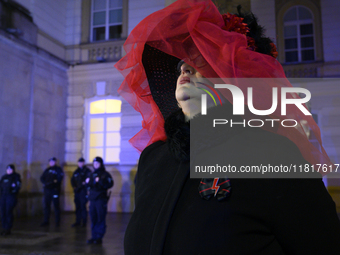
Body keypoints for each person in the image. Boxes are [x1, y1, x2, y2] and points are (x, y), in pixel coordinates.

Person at [115, 0, 340, 254]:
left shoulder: (273, 156)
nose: (184, 68)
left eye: (199, 60)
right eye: (180, 65)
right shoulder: (154, 158)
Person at [85, 156, 113, 244]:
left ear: (101, 164)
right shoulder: (91, 174)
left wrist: (100, 181)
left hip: (100, 199)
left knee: (100, 217)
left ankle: (99, 237)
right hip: (92, 199)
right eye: (94, 163)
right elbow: (89, 187)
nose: (95, 165)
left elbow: (109, 184)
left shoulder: (105, 174)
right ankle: (94, 236)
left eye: (97, 163)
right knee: (93, 218)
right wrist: (87, 182)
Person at [40, 157, 64, 227]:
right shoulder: (47, 170)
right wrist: (46, 183)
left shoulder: (58, 169)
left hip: (54, 190)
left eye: (52, 162)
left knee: (56, 206)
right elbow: (42, 178)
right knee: (47, 206)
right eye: (50, 162)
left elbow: (59, 179)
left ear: (55, 162)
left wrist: (53, 183)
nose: (51, 163)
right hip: (47, 190)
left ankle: (57, 221)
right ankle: (46, 221)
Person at [0, 164, 21, 235]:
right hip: (3, 196)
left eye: (10, 169)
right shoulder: (4, 177)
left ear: (13, 170)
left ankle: (8, 228)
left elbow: (17, 187)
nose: (9, 171)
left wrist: (13, 191)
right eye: (7, 169)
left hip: (10, 196)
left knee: (8, 212)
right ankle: (4, 227)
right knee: (3, 212)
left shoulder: (16, 176)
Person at [70, 157, 91, 227]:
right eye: (79, 162)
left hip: (83, 191)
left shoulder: (87, 171)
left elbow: (87, 181)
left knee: (83, 207)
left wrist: (81, 186)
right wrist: (74, 187)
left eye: (81, 162)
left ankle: (84, 222)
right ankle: (78, 221)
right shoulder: (76, 171)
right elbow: (72, 180)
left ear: (84, 163)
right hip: (77, 192)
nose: (80, 164)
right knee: (77, 207)